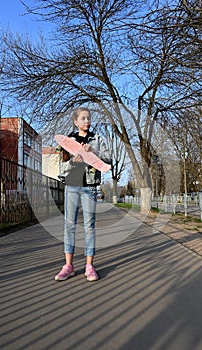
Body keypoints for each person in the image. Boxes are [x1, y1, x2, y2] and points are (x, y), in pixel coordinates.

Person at [55, 107, 111, 282]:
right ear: (75, 122)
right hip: (72, 185)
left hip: (90, 186)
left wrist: (93, 152)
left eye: (88, 118)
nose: (87, 121)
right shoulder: (67, 141)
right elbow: (61, 168)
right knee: (69, 226)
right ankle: (68, 266)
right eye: (83, 118)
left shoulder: (98, 139)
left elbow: (108, 159)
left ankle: (89, 266)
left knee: (89, 227)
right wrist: (73, 161)